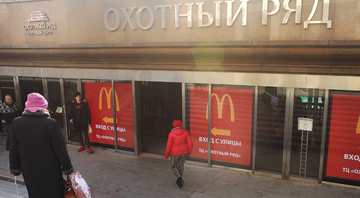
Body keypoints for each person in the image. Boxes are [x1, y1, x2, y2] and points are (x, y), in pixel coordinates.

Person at [9, 92, 74, 198]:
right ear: (44, 106)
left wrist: (15, 167)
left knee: (35, 192)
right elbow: (60, 149)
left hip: (29, 168)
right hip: (50, 168)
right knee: (54, 192)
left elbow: (14, 148)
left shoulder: (17, 123)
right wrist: (67, 167)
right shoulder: (51, 123)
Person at [164, 120, 193, 188]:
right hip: (184, 152)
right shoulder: (185, 132)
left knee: (173, 166)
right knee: (181, 166)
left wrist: (166, 155)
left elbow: (169, 146)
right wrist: (189, 151)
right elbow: (190, 143)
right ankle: (180, 180)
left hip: (175, 153)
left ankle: (179, 178)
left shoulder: (171, 133)